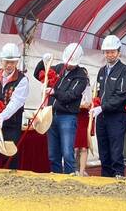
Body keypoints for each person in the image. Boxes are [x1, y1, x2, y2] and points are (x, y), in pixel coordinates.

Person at [40, 43, 88, 174]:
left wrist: (55, 92)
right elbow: (39, 74)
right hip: (51, 113)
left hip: (67, 116)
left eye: (72, 63)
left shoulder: (81, 77)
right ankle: (55, 176)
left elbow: (71, 96)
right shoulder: (58, 68)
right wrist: (43, 62)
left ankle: (69, 176)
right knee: (53, 153)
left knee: (67, 152)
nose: (69, 65)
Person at [90, 35, 126, 178]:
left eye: (113, 51)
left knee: (115, 148)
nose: (110, 55)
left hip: (116, 116)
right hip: (102, 117)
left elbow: (121, 96)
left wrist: (102, 107)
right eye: (107, 52)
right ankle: (105, 177)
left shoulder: (124, 71)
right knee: (103, 148)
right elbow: (98, 91)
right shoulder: (102, 71)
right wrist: (96, 105)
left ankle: (118, 175)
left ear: (119, 52)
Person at [0, 42, 29, 170]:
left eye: (12, 62)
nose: (9, 65)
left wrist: (2, 117)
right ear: (1, 60)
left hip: (11, 125)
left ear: (17, 62)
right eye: (6, 61)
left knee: (10, 158)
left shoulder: (22, 80)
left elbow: (15, 103)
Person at [74, 76, 92, 176]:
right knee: (75, 146)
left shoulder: (89, 88)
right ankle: (74, 168)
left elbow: (91, 102)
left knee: (84, 146)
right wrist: (80, 105)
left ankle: (81, 171)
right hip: (75, 116)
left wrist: (90, 105)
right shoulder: (74, 86)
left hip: (85, 118)